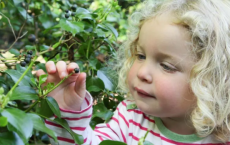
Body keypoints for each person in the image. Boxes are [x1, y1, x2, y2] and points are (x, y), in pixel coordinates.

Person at [36, 0, 230, 144]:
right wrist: (68, 113)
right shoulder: (130, 117)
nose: (142, 72)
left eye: (166, 66)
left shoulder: (221, 138)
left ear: (212, 80)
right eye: (140, 55)